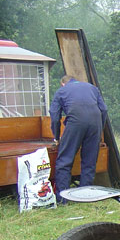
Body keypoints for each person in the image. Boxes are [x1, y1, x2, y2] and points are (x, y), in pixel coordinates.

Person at [50, 75, 107, 203]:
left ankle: (63, 198)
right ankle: (85, 197)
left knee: (64, 161)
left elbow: (54, 117)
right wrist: (99, 130)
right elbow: (104, 109)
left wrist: (56, 137)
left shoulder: (61, 91)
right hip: (95, 124)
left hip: (75, 123)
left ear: (63, 83)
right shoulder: (92, 88)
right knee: (89, 161)